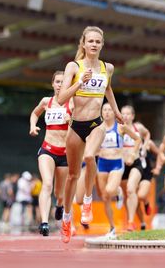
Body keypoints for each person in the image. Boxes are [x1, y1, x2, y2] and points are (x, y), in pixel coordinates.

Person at [57, 26, 123, 243]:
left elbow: (108, 90)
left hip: (97, 123)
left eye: (98, 41)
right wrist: (80, 82)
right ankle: (67, 218)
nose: (94, 44)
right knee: (73, 176)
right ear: (83, 44)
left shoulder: (108, 68)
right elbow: (61, 99)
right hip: (76, 125)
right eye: (90, 41)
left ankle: (87, 201)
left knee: (89, 156)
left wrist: (115, 110)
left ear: (102, 44)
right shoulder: (73, 66)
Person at [29, 70, 74, 236]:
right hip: (47, 149)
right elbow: (34, 113)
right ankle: (44, 223)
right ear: (53, 84)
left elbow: (80, 125)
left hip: (65, 154)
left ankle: (60, 205)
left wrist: (72, 121)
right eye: (57, 82)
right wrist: (33, 126)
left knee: (58, 193)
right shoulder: (46, 101)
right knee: (47, 184)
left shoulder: (72, 103)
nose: (60, 85)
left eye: (63, 82)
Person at [96, 103, 140, 238]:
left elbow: (137, 139)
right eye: (105, 110)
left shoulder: (121, 127)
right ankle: (112, 227)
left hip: (116, 163)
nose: (107, 112)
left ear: (114, 113)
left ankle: (118, 191)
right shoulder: (97, 129)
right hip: (102, 163)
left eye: (110, 110)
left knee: (110, 190)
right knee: (105, 197)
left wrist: (133, 153)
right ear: (101, 113)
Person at [120, 105, 144, 231]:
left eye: (128, 114)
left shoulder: (138, 127)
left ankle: (130, 222)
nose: (125, 116)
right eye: (123, 113)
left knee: (130, 190)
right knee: (126, 194)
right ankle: (133, 218)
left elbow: (146, 135)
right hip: (121, 165)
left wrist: (143, 148)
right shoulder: (117, 128)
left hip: (135, 163)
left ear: (133, 116)